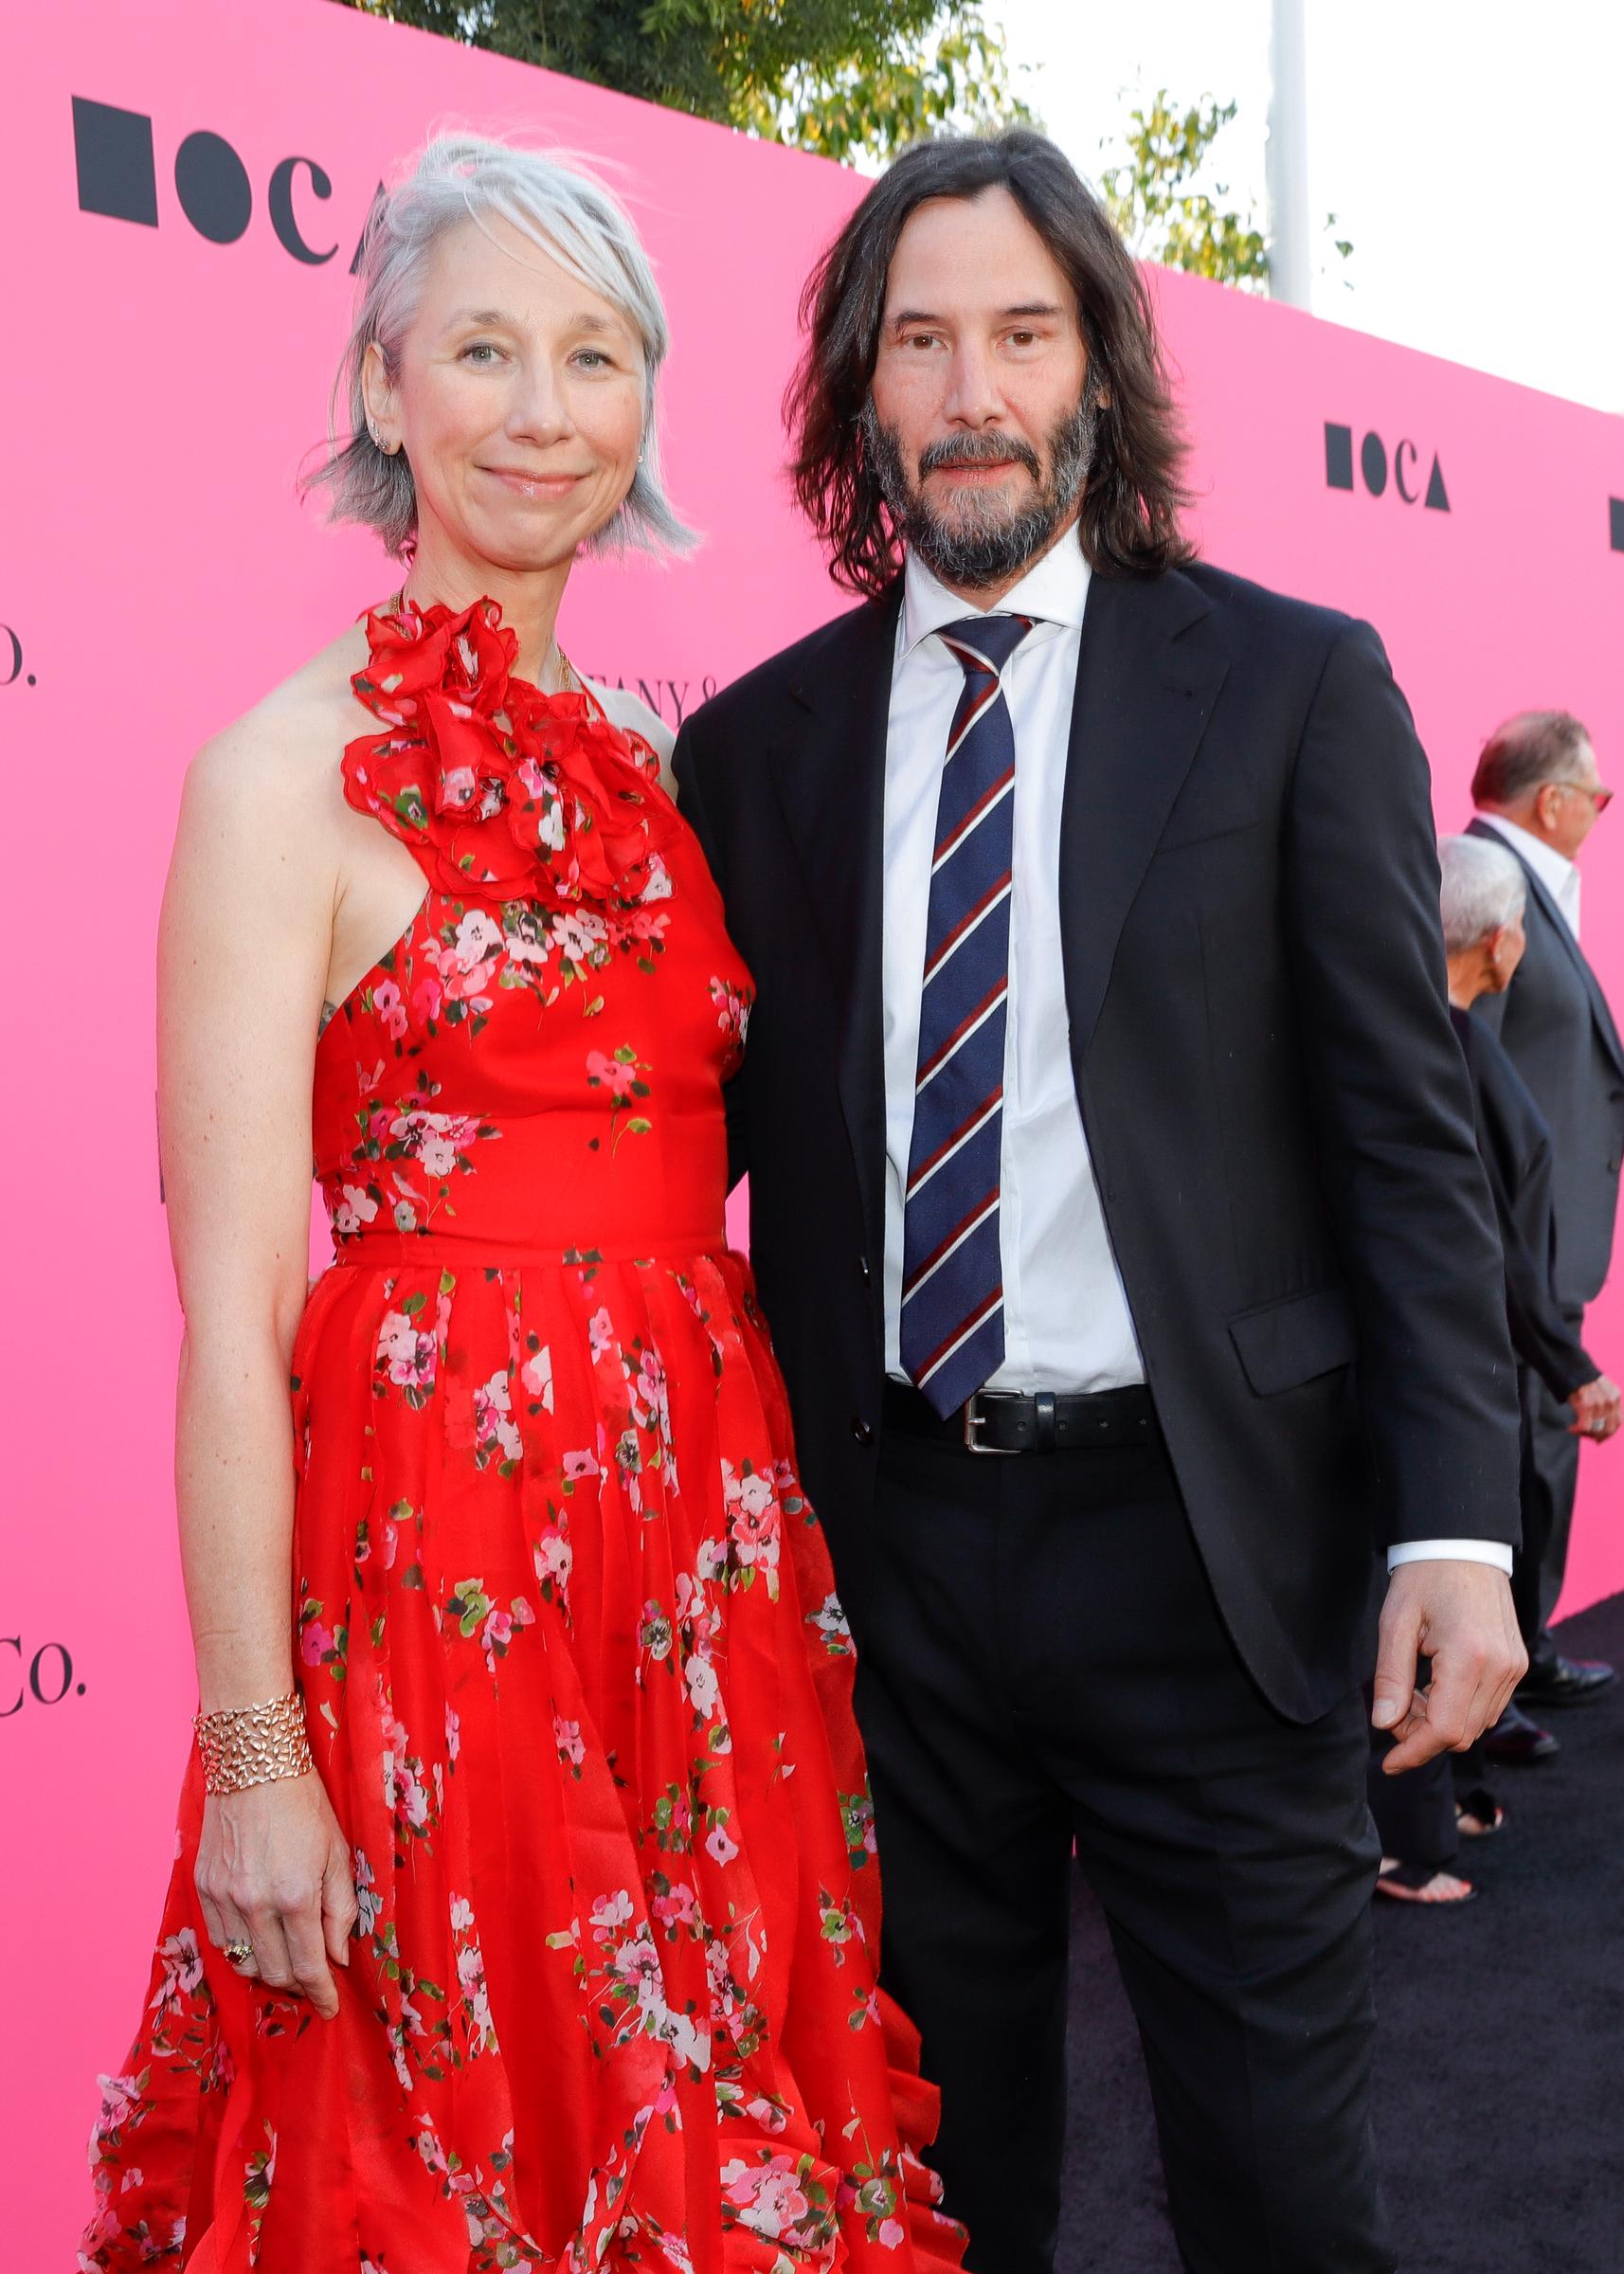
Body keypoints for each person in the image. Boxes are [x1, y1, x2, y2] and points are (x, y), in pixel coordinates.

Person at [82, 135, 965, 2274]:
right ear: (386, 386)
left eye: (594, 354)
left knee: (717, 2141)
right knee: (465, 2158)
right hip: (434, 1590)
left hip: (701, 1575)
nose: (544, 410)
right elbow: (230, 1313)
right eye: (483, 348)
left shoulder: (665, 780)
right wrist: (256, 1751)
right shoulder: (272, 779)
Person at [673, 130, 1525, 2274]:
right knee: (931, 2188)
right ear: (859, 389)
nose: (969, 386)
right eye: (920, 337)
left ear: (1095, 369)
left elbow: (1403, 1144)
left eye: (1019, 333)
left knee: (1271, 2187)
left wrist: (1450, 1524)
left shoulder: (1283, 681)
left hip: (1204, 1555)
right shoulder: (754, 748)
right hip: (882, 1579)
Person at [1370, 837, 1620, 1890]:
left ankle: (1433, 1808)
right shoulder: (1447, 1055)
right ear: (1502, 942)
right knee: (1426, 1604)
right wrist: (1569, 1364)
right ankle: (1409, 1841)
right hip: (1447, 1376)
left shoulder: (1413, 1043)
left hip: (1437, 1368)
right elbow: (1484, 1248)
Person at [1468, 714, 1624, 1706]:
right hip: (1522, 1247)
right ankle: (1513, 1668)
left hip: (1546, 1240)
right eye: (1599, 796)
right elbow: (1462, 1069)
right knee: (1526, 1454)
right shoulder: (1490, 890)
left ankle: (1522, 1656)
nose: (1601, 814)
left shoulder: (1517, 884)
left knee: (1539, 1451)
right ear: (1553, 798)